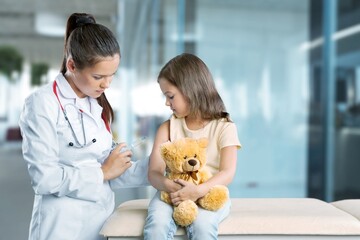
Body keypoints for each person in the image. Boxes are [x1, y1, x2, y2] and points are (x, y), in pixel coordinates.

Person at [19, 13, 148, 240]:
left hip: (101, 222)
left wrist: (157, 167)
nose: (106, 84)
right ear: (72, 65)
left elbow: (112, 173)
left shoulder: (96, 104)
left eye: (112, 76)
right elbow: (44, 179)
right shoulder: (42, 103)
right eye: (99, 76)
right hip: (61, 226)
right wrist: (101, 173)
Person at [143, 53, 241, 239]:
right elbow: (154, 173)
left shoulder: (225, 127)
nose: (167, 103)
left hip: (209, 193)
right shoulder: (167, 127)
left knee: (203, 227)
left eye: (170, 96)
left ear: (190, 90)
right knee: (156, 226)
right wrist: (173, 188)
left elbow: (227, 172)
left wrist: (198, 191)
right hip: (172, 192)